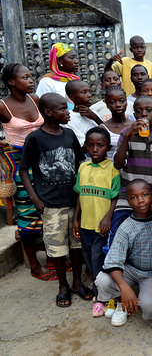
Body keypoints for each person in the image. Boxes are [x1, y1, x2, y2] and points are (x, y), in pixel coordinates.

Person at [19, 93, 87, 307]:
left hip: (73, 201)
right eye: (63, 109)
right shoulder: (35, 138)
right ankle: (62, 286)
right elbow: (23, 169)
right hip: (51, 205)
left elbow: (79, 164)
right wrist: (34, 197)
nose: (68, 113)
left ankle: (77, 282)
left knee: (76, 245)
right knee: (57, 249)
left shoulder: (69, 134)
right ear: (48, 112)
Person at [0, 63, 52, 281]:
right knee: (28, 213)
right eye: (26, 77)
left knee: (50, 209)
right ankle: (33, 264)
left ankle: (52, 257)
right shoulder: (3, 106)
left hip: (43, 161)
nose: (31, 80)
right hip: (21, 165)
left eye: (31, 76)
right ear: (12, 82)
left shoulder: (35, 100)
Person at [94, 179, 152, 326]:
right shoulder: (126, 226)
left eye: (144, 195)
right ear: (129, 202)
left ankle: (135, 299)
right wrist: (124, 288)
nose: (140, 200)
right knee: (103, 280)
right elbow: (113, 261)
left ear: (151, 196)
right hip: (131, 270)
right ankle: (120, 301)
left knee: (149, 309)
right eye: (134, 197)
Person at [111, 96, 152, 244]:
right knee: (118, 234)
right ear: (134, 116)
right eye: (139, 111)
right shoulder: (127, 134)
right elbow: (118, 164)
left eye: (149, 110)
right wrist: (128, 136)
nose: (144, 114)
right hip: (128, 199)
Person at [72, 127, 121, 316]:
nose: (94, 149)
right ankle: (99, 289)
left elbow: (115, 197)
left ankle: (102, 296)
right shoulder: (83, 167)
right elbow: (79, 194)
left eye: (99, 145)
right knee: (88, 256)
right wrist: (76, 219)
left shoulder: (113, 169)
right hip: (85, 223)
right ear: (85, 146)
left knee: (97, 258)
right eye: (90, 145)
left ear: (107, 147)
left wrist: (108, 218)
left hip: (101, 226)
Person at [35, 42, 79, 109]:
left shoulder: (75, 80)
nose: (76, 61)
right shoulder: (47, 82)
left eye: (76, 57)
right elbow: (41, 106)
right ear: (60, 61)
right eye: (72, 58)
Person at [64, 80, 103, 147]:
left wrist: (95, 118)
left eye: (89, 92)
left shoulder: (93, 112)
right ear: (72, 97)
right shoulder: (69, 118)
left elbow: (107, 134)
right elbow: (81, 146)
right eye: (84, 92)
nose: (89, 95)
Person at [100, 86, 134, 160]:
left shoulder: (134, 127)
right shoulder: (102, 129)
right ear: (107, 104)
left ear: (126, 102)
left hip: (131, 170)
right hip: (110, 170)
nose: (118, 105)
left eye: (122, 101)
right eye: (112, 102)